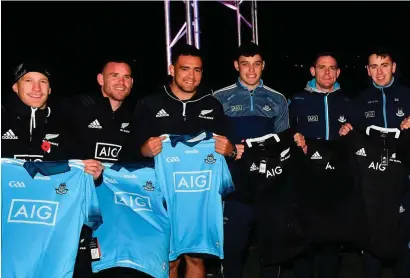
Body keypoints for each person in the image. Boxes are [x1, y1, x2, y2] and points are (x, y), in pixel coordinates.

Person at [120, 43, 241, 278]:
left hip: (199, 197)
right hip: (161, 194)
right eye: (185, 69)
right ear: (171, 69)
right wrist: (144, 150)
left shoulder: (212, 105)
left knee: (196, 257)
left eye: (197, 70)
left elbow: (231, 151)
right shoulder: (149, 104)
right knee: (169, 259)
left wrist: (231, 151)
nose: (191, 76)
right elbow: (130, 151)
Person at [212, 42, 289, 278]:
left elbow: (284, 143)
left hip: (268, 186)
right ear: (236, 66)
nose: (252, 70)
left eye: (256, 64)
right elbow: (212, 142)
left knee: (271, 250)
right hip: (234, 187)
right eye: (245, 64)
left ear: (263, 65)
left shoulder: (278, 99)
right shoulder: (219, 98)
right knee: (233, 249)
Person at [57, 57, 136, 278]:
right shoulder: (74, 107)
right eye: (114, 76)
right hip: (75, 202)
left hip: (114, 206)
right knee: (75, 263)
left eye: (126, 77)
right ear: (100, 79)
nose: (121, 82)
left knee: (108, 264)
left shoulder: (136, 114)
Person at [339, 47, 410, 278]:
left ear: (394, 67)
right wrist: (346, 130)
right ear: (367, 71)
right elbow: (352, 139)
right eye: (374, 66)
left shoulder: (408, 96)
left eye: (384, 65)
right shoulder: (360, 101)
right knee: (371, 240)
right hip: (372, 187)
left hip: (404, 185)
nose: (380, 72)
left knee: (403, 237)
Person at [290, 52, 354, 278]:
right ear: (312, 71)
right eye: (321, 67)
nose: (327, 72)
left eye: (332, 68)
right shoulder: (296, 101)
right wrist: (294, 138)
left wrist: (351, 132)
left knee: (331, 241)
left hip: (336, 185)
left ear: (338, 72)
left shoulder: (348, 102)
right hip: (304, 183)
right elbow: (284, 134)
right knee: (304, 240)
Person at [1, 60, 63, 161]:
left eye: (43, 81)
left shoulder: (65, 123)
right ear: (15, 87)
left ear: (49, 89)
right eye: (28, 81)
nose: (37, 88)